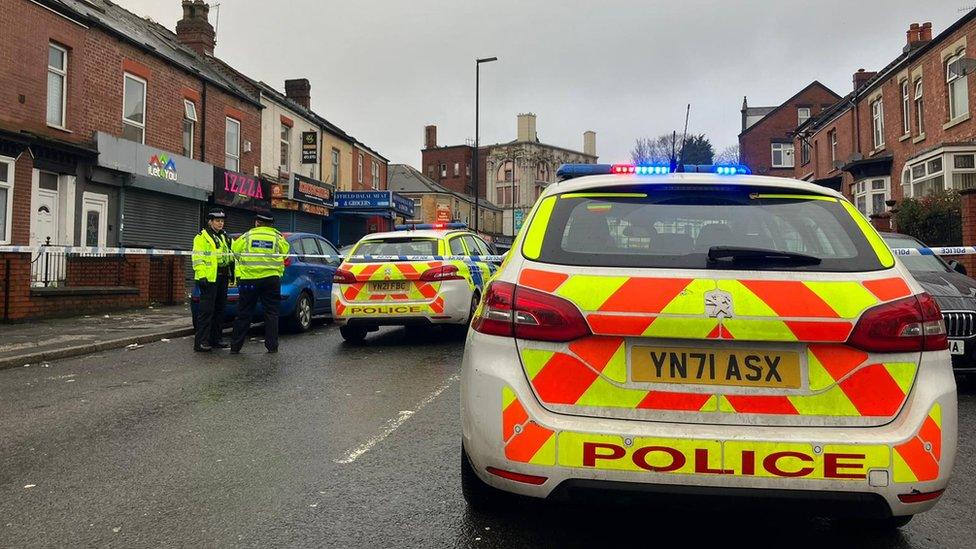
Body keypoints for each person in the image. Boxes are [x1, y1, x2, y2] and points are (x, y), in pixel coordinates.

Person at [230, 213, 289, 354]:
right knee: (271, 313)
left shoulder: (247, 236)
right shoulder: (277, 238)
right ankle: (272, 346)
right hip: (271, 280)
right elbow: (286, 253)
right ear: (271, 224)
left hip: (249, 280)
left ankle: (235, 347)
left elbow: (234, 251)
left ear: (257, 223)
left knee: (244, 313)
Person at [192, 208, 233, 352]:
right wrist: (201, 275)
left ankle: (216, 339)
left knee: (220, 310)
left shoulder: (224, 236)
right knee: (206, 312)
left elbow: (231, 254)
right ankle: (201, 342)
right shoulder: (201, 237)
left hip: (222, 277)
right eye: (217, 221)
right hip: (209, 278)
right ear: (210, 222)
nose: (220, 223)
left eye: (222, 221)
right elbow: (198, 258)